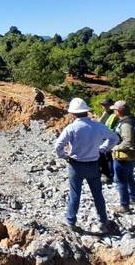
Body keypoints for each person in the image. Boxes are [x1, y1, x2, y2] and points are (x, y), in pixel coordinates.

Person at [54, 98, 119, 233]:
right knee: (97, 195)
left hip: (75, 166)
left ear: (73, 113)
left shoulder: (71, 128)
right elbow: (114, 138)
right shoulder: (98, 126)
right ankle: (103, 221)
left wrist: (64, 156)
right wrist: (103, 149)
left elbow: (58, 146)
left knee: (75, 194)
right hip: (94, 165)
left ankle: (71, 222)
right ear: (86, 111)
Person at [110, 100, 135, 213]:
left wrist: (114, 148)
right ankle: (134, 200)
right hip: (133, 155)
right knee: (129, 177)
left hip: (124, 156)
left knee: (121, 181)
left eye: (114, 109)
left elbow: (128, 142)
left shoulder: (126, 124)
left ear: (119, 111)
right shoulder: (134, 120)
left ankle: (124, 206)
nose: (113, 111)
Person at [98, 98, 117, 184]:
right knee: (104, 156)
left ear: (111, 105)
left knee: (107, 156)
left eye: (105, 105)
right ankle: (106, 173)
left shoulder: (114, 115)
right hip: (103, 137)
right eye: (103, 105)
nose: (103, 107)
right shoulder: (106, 113)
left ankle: (109, 175)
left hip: (109, 138)